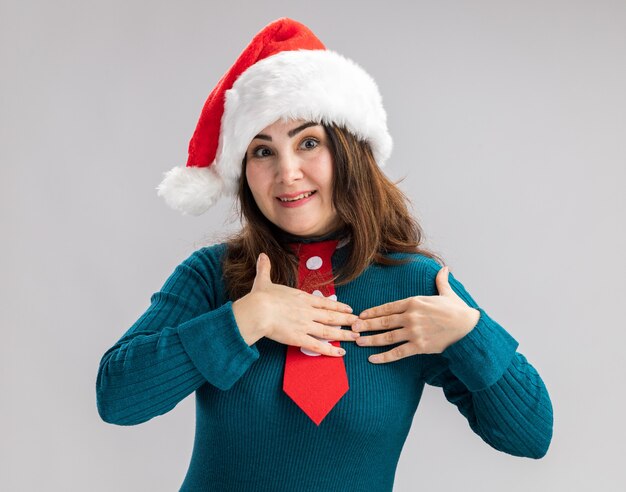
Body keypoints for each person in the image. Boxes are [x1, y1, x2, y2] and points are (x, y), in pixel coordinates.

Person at [96, 17, 553, 492]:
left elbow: (531, 436)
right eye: (261, 151)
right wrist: (244, 320)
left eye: (308, 143)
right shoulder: (213, 276)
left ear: (348, 151)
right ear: (243, 172)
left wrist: (469, 334)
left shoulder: (414, 284)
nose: (287, 173)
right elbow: (118, 398)